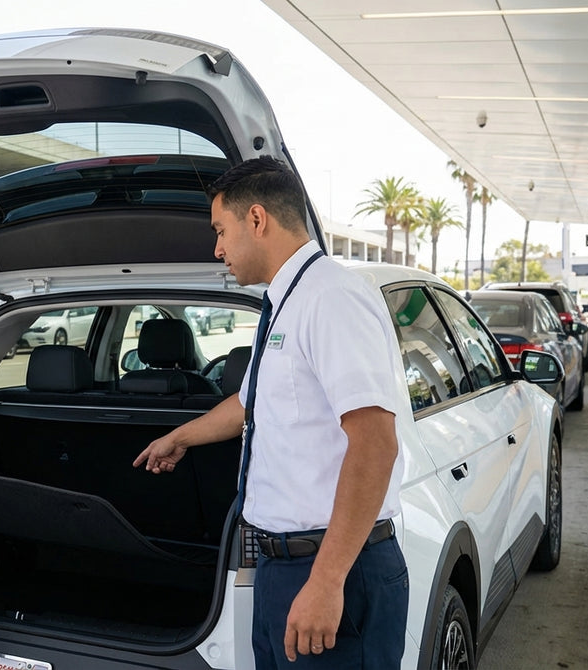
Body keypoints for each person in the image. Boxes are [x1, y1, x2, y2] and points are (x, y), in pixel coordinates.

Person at [133, 157, 408, 668]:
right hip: (284, 570)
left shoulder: (332, 298)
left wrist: (326, 581)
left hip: (333, 568)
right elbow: (252, 401)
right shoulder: (286, 301)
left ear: (257, 219)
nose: (216, 249)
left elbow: (375, 442)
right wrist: (182, 437)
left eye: (220, 231)